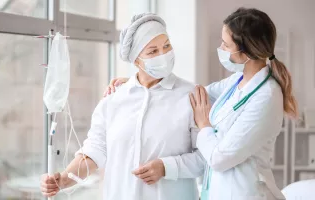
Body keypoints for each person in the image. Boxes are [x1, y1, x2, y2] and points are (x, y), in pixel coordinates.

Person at [104, 8, 298, 200]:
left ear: (246, 52)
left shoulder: (266, 97)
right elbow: (193, 92)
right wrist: (140, 82)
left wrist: (204, 124)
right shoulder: (237, 80)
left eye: (226, 45)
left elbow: (219, 158)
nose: (221, 49)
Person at [40, 13, 205, 200]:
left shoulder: (192, 96)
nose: (163, 55)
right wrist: (63, 180)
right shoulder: (113, 100)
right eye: (153, 51)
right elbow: (94, 151)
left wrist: (167, 167)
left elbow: (206, 158)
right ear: (136, 60)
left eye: (166, 46)